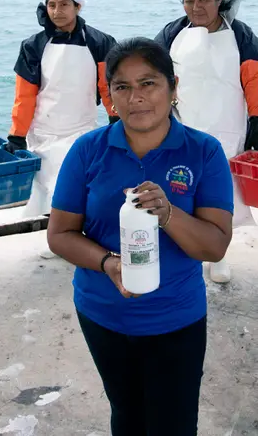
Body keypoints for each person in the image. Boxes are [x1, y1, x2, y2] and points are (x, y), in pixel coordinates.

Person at [47, 37, 234, 436]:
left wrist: (168, 214)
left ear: (173, 86)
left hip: (176, 318)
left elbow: (215, 246)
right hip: (102, 314)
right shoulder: (88, 150)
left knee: (174, 422)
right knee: (127, 415)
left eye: (148, 83)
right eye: (122, 86)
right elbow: (60, 234)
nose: (136, 98)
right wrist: (108, 263)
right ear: (110, 95)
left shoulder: (204, 152)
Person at [155, 0, 258, 284]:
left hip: (228, 127)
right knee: (181, 188)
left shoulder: (241, 35)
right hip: (184, 127)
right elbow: (157, 75)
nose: (196, 7)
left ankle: (219, 256)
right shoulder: (171, 34)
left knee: (222, 196)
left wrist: (257, 121)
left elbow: (253, 81)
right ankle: (182, 250)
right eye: (189, 1)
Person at [6, 0, 118, 219]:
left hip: (81, 129)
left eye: (64, 4)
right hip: (42, 133)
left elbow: (109, 88)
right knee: (44, 191)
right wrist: (16, 136)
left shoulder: (100, 43)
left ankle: (68, 236)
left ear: (78, 7)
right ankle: (53, 237)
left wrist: (116, 120)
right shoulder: (33, 46)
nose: (57, 11)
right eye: (52, 5)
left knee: (72, 187)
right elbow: (25, 96)